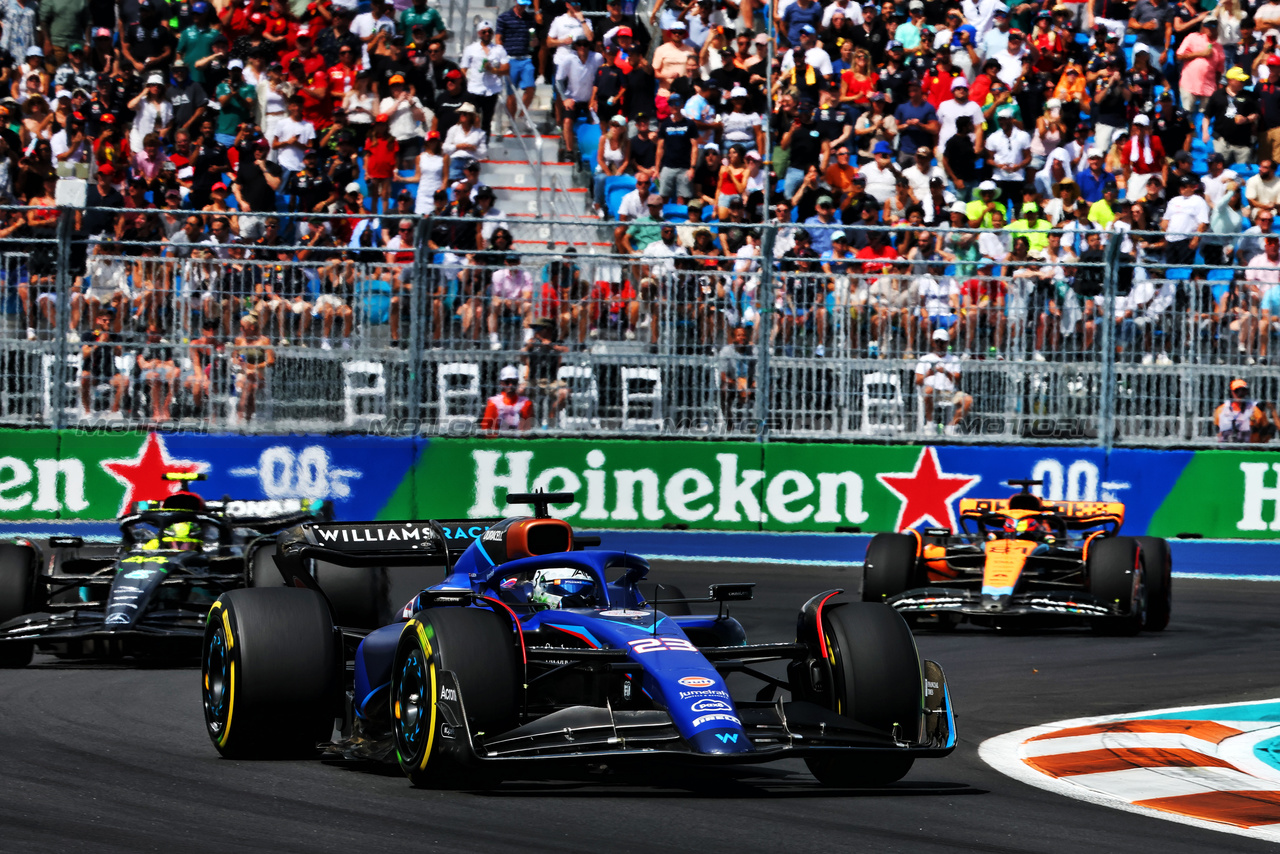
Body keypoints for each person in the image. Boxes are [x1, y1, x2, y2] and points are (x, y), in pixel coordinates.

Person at [914, 327, 972, 432]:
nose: (940, 345)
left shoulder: (954, 359)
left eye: (942, 342)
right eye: (937, 342)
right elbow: (917, 381)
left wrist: (945, 372)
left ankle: (951, 427)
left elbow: (957, 380)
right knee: (928, 391)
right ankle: (930, 424)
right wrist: (928, 374)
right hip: (932, 392)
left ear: (947, 343)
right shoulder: (925, 359)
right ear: (933, 343)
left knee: (968, 400)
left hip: (949, 392)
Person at [480, 365, 534, 434]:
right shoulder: (493, 403)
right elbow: (486, 429)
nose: (510, 385)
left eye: (513, 382)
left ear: (517, 382)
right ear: (501, 383)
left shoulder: (526, 403)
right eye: (507, 382)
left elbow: (527, 430)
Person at [1215, 378, 1270, 442]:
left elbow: (1265, 427)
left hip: (1247, 447)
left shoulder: (1254, 409)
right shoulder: (1221, 410)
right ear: (1232, 392)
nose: (1240, 393)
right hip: (1226, 446)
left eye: (1243, 390)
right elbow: (1218, 429)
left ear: (1246, 392)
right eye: (1237, 391)